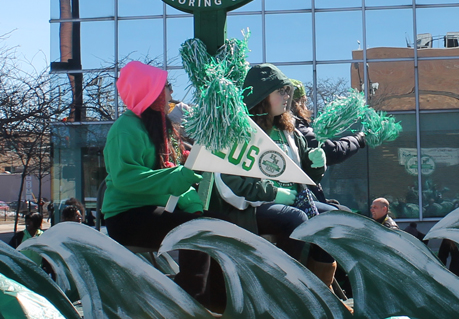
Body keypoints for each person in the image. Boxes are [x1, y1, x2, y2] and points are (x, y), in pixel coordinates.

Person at [209, 63, 340, 292]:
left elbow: (304, 177)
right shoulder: (239, 133)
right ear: (261, 95)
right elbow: (230, 184)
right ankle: (287, 291)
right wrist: (274, 193)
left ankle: (321, 292)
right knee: (295, 218)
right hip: (249, 209)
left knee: (334, 218)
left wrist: (316, 164)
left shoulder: (289, 132)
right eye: (280, 91)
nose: (287, 96)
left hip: (290, 202)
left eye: (287, 91)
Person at [101, 61, 210, 304]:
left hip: (155, 210)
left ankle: (210, 301)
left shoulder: (163, 127)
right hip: (126, 217)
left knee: (214, 227)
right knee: (199, 231)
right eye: (166, 86)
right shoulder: (125, 128)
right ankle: (188, 303)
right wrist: (178, 178)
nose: (171, 92)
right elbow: (125, 178)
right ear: (150, 91)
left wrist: (189, 197)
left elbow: (172, 172)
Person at [289, 79, 365, 205]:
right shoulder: (297, 129)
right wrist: (357, 140)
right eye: (305, 102)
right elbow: (333, 151)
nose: (307, 108)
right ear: (298, 103)